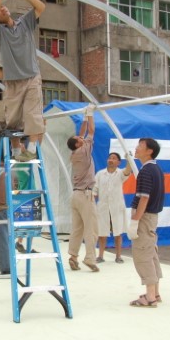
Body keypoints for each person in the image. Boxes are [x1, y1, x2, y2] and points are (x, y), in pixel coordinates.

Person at [0, 0, 46, 162]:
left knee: (33, 114)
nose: (2, 8)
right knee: (12, 119)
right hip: (13, 81)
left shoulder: (24, 23)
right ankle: (16, 151)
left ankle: (32, 149)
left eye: (3, 6)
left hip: (31, 76)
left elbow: (41, 7)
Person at [128, 138, 165, 308]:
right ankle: (155, 292)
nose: (136, 149)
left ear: (149, 151)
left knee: (143, 255)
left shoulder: (146, 171)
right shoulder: (156, 169)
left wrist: (135, 221)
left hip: (145, 218)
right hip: (152, 217)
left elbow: (144, 198)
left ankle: (150, 296)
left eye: (140, 146)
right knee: (151, 253)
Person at [66, 105, 100, 273]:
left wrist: (85, 115)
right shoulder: (85, 151)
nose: (82, 137)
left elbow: (83, 131)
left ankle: (73, 256)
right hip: (86, 196)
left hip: (75, 195)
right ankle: (90, 258)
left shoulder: (74, 153)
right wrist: (91, 113)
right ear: (79, 143)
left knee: (77, 228)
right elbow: (91, 131)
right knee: (91, 228)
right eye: (79, 138)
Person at [94, 152, 133, 264]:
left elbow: (127, 171)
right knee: (102, 233)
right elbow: (95, 189)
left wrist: (129, 159)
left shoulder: (120, 173)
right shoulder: (100, 174)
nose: (111, 160)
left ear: (118, 162)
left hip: (117, 208)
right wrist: (91, 196)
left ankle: (118, 256)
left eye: (114, 158)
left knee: (118, 233)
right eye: (110, 158)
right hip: (103, 207)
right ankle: (100, 256)